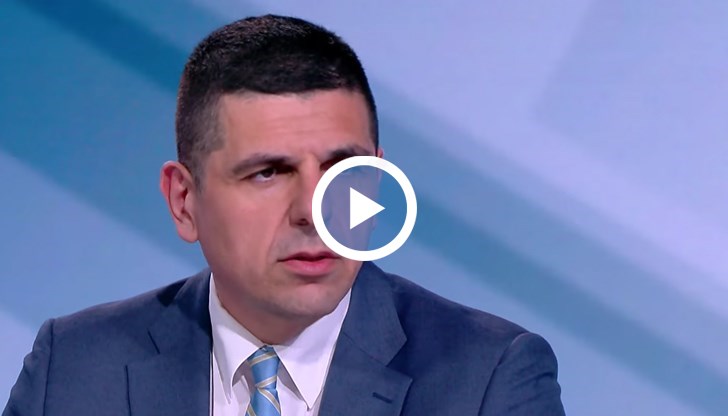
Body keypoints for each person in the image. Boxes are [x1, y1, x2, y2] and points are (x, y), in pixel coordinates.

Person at [3, 15, 565, 416]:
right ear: (183, 201)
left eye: (342, 170)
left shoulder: (489, 379)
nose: (313, 212)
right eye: (268, 172)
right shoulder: (73, 369)